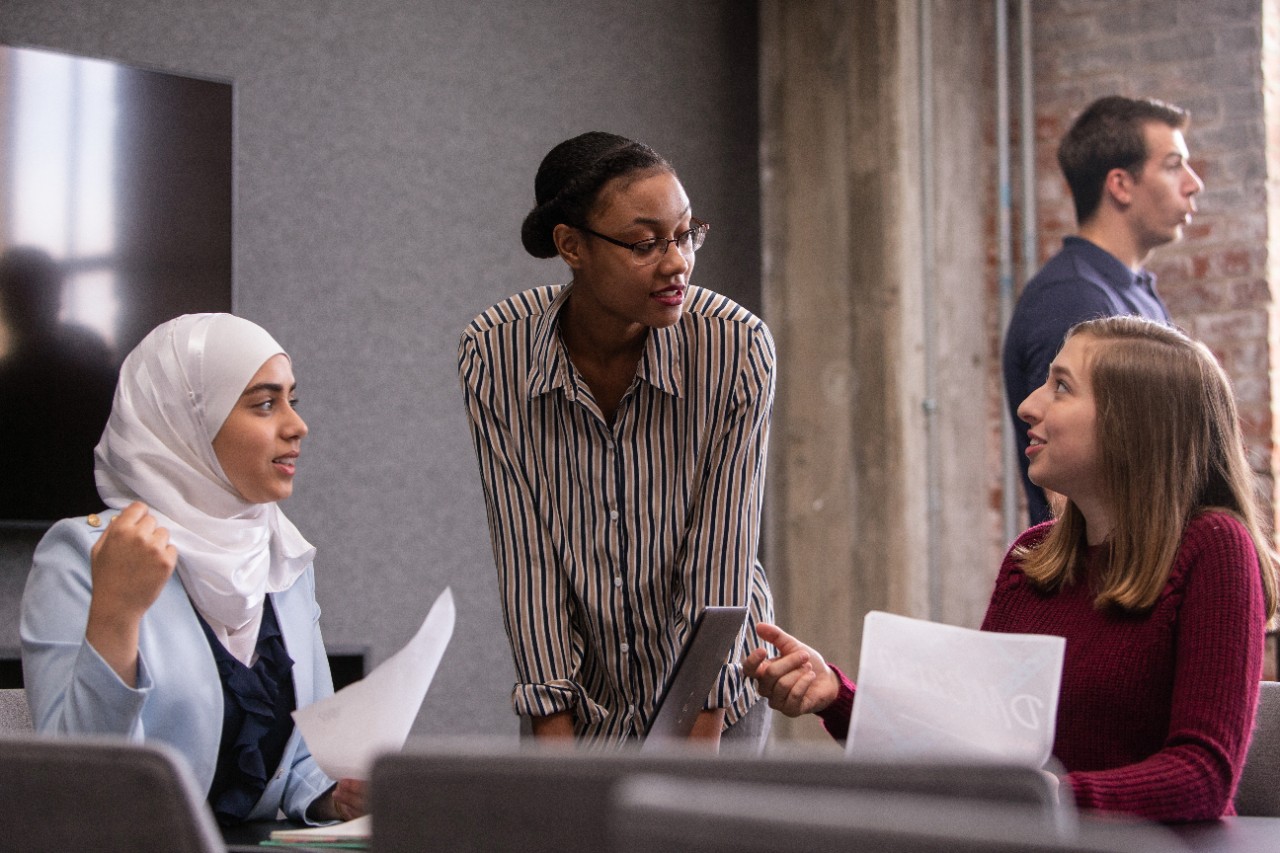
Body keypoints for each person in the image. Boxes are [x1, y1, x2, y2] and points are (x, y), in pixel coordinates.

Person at [748, 315, 1277, 823]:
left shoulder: (1214, 547)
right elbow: (972, 743)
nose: (1028, 406)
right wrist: (838, 698)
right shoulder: (1033, 558)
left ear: (1132, 422)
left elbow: (1203, 776)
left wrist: (1045, 798)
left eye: (1062, 387)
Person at [459, 131, 775, 748]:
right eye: (644, 243)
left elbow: (722, 552)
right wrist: (553, 731)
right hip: (577, 690)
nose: (677, 260)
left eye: (686, 234)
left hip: (715, 693)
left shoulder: (735, 348)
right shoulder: (496, 352)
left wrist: (699, 729)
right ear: (571, 246)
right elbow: (525, 554)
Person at [20, 313, 366, 826]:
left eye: (293, 400)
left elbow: (300, 762)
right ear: (186, 422)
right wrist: (116, 613)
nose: (297, 425)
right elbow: (77, 786)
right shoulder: (85, 555)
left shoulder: (283, 556)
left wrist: (332, 795)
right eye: (266, 404)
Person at [1003, 95, 1204, 524]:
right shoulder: (1074, 300)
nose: (1193, 183)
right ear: (1120, 185)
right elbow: (1063, 482)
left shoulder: (1133, 294)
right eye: (1173, 165)